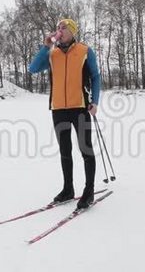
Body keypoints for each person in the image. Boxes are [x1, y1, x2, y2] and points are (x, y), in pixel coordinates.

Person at [28, 18, 101, 209]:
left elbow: (95, 76)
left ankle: (89, 191)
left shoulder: (85, 51)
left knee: (86, 150)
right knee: (65, 151)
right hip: (58, 108)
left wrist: (95, 101)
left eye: (64, 28)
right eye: (58, 27)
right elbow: (33, 69)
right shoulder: (52, 54)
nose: (59, 30)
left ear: (72, 31)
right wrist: (45, 47)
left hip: (80, 107)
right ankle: (68, 189)